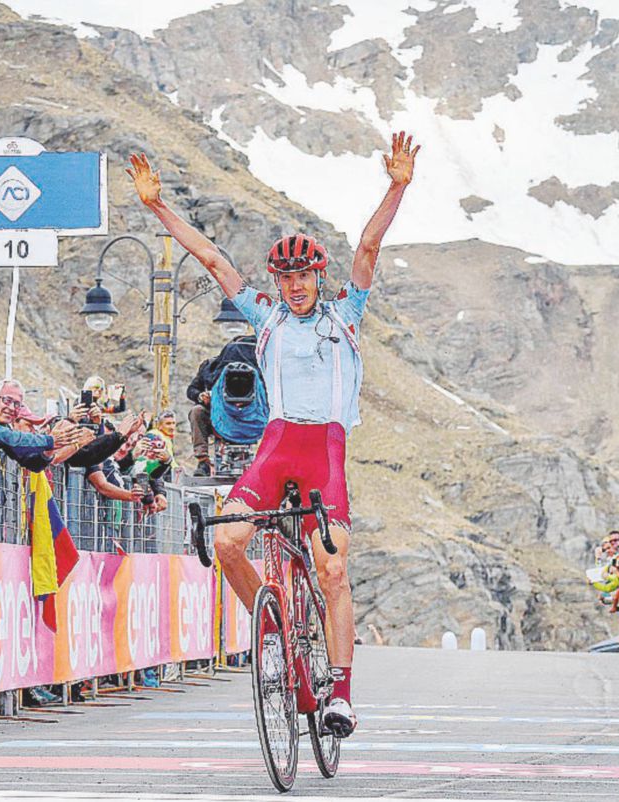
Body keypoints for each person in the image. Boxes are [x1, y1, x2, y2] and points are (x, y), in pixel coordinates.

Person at [127, 129, 419, 736]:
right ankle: (276, 626)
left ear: (318, 276)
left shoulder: (346, 314)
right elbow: (212, 259)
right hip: (278, 444)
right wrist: (156, 207)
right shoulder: (264, 316)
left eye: (303, 276)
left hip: (325, 450)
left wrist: (396, 187)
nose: (293, 286)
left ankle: (338, 693)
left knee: (333, 569)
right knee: (229, 542)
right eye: (284, 278)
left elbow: (366, 248)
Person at [186, 333, 258, 476]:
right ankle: (203, 461)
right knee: (197, 411)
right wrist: (201, 396)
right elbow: (191, 390)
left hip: (249, 417)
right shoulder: (211, 367)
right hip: (217, 416)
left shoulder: (258, 369)